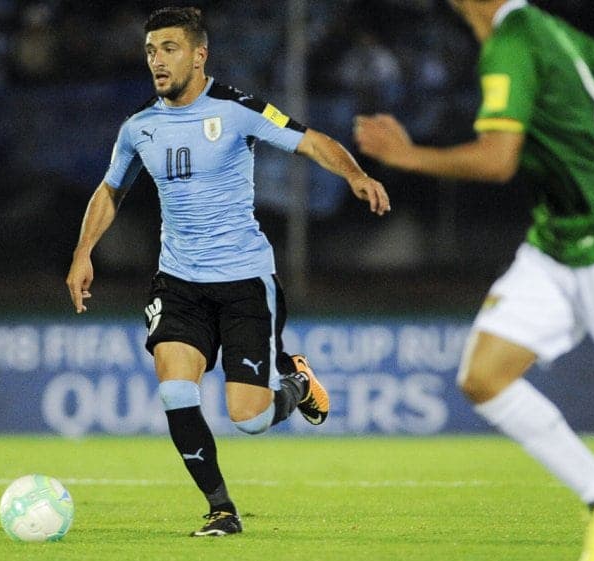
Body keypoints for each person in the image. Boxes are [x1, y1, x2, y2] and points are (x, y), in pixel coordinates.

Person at [353, 2, 594, 561]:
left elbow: (499, 160)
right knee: (484, 377)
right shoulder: (536, 27)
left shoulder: (512, 42)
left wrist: (408, 156)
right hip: (556, 243)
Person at [66, 6, 390, 537]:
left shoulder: (238, 109)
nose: (157, 61)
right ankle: (221, 508)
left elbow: (310, 140)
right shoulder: (139, 126)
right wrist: (83, 253)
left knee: (251, 419)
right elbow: (110, 189)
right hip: (178, 282)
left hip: (244, 283)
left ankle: (295, 384)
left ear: (199, 55)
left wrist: (354, 174)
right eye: (150, 51)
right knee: (175, 391)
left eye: (169, 49)